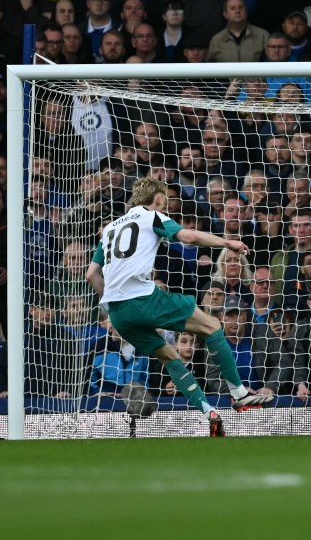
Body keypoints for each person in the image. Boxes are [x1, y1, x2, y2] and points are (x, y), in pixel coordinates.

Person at [85, 178, 272, 437]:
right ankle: (239, 393)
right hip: (143, 299)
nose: (167, 204)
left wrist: (113, 302)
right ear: (157, 199)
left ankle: (210, 414)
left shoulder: (109, 230)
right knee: (212, 326)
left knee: (169, 357)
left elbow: (91, 274)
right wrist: (228, 243)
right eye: (165, 199)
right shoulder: (151, 217)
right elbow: (190, 236)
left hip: (118, 312)